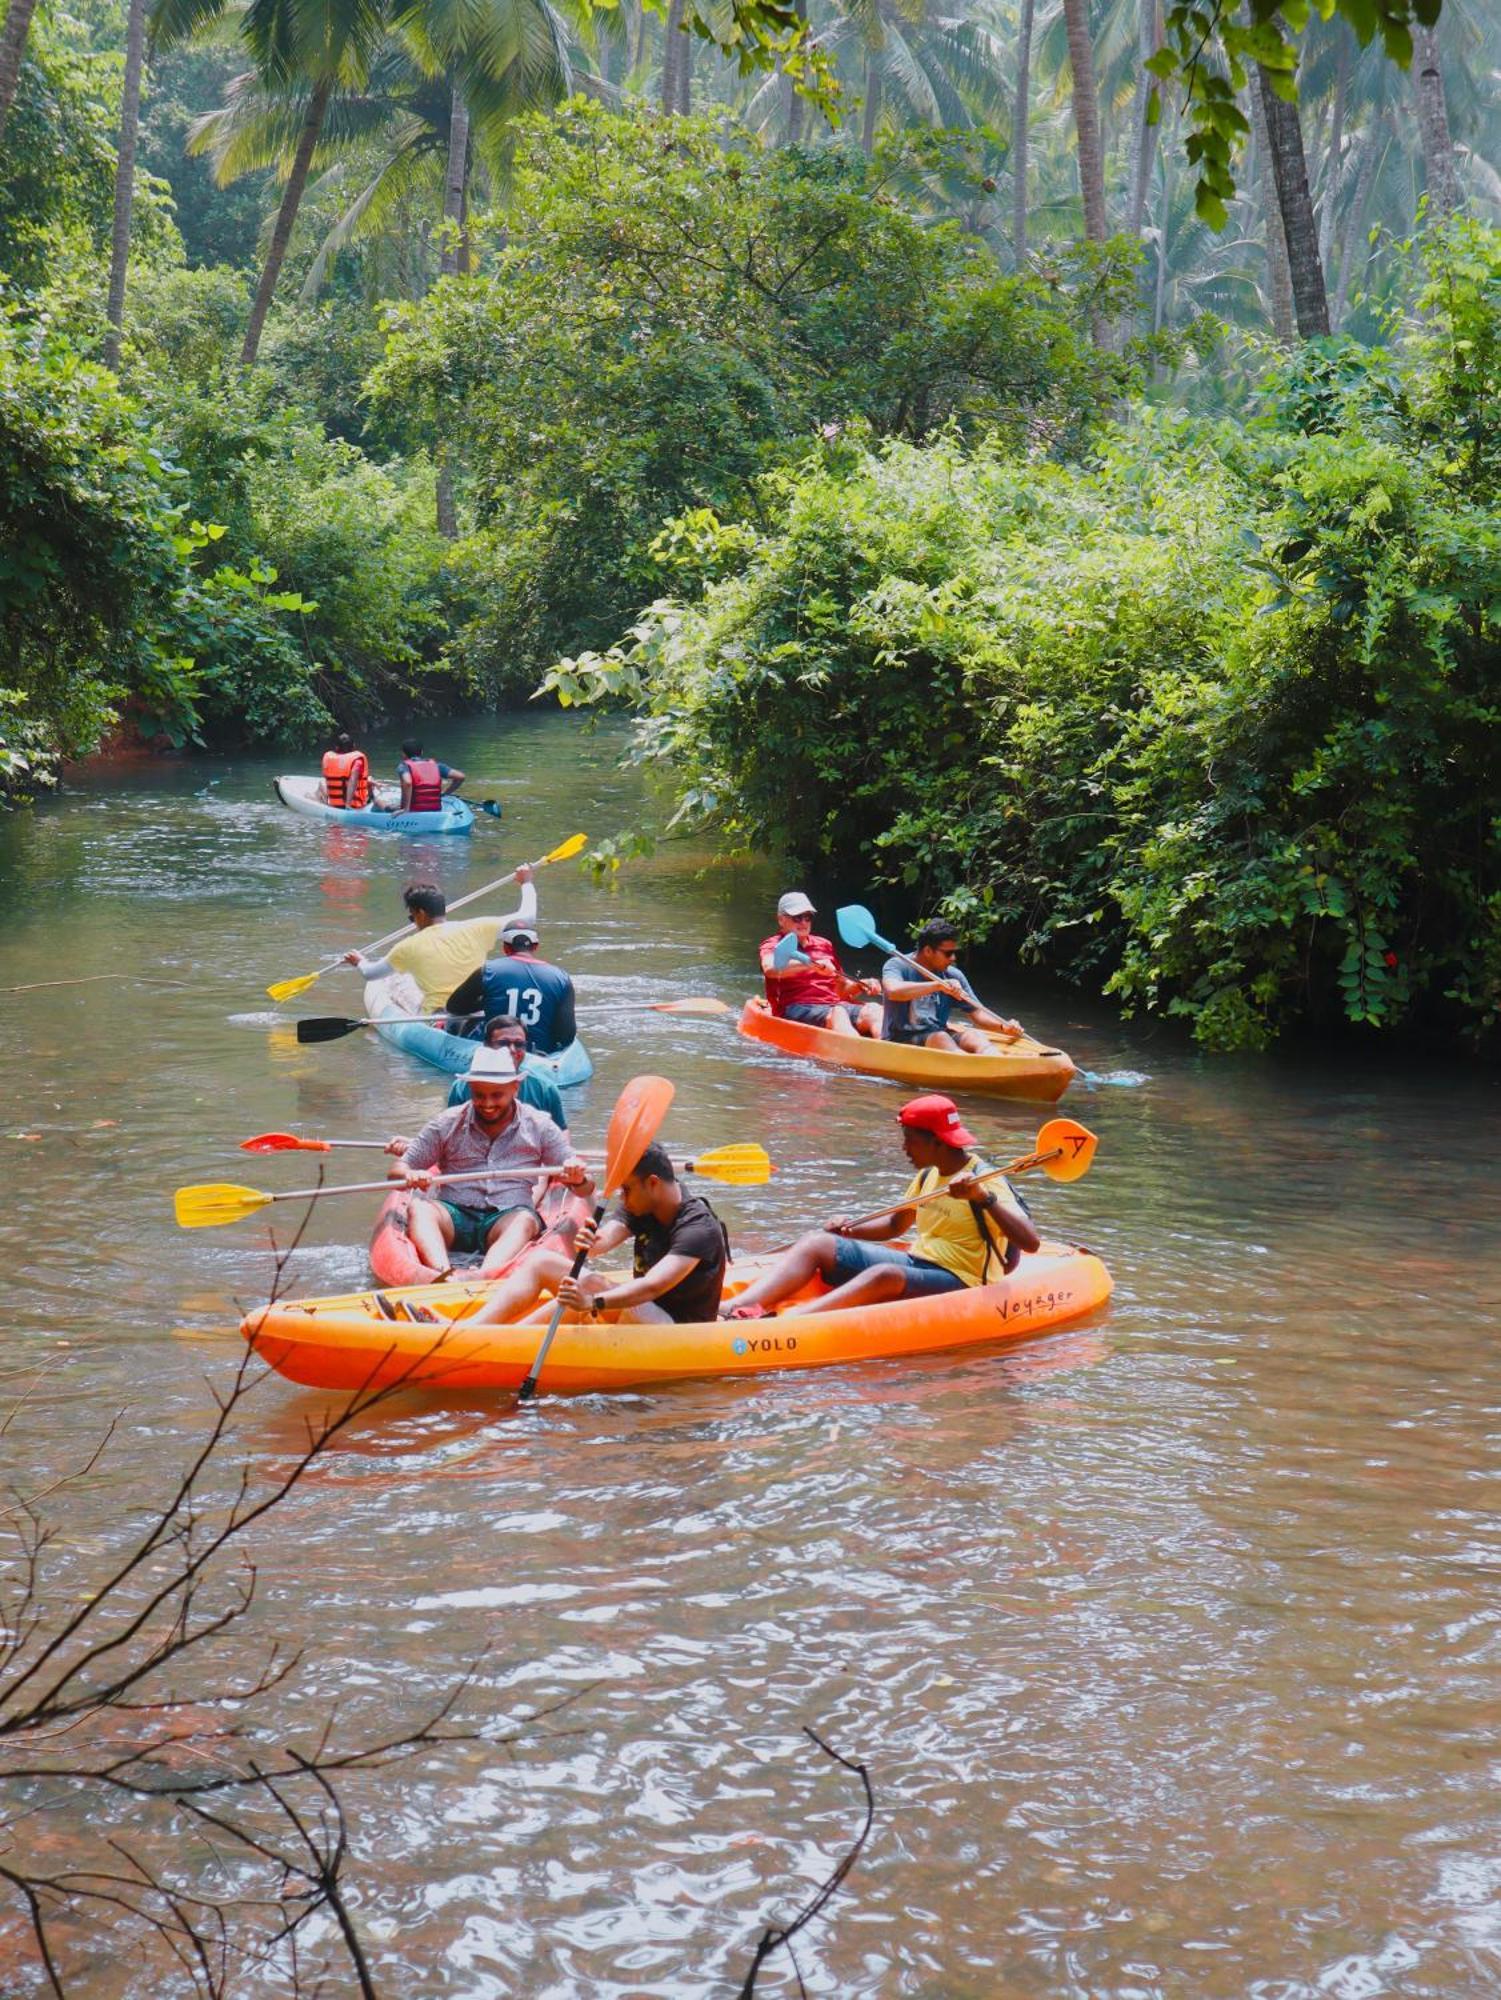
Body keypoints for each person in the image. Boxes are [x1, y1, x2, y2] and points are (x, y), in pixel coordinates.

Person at [720, 1094, 1038, 1320]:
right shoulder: (928, 1175)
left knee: (885, 1274)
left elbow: (1030, 1242)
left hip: (964, 1279)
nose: (904, 1149)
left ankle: (792, 1322)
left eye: (910, 1140)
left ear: (937, 1142)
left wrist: (982, 1198)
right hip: (923, 1262)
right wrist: (849, 1230)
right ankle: (734, 1307)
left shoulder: (987, 1180)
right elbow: (894, 1227)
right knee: (818, 1242)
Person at [467, 1142, 729, 1328]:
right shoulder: (646, 1202)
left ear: (652, 1183)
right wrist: (590, 1240)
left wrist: (592, 1302)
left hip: (679, 1330)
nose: (621, 1197)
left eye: (626, 1189)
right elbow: (602, 1243)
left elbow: (653, 1287)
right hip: (642, 1310)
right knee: (541, 1261)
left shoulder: (698, 1228)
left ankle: (509, 1340)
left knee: (591, 1284)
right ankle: (472, 1329)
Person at [388, 1044, 586, 1279]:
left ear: (515, 1087)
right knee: (419, 1207)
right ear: (470, 1088)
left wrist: (579, 1178)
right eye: (479, 1095)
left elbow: (585, 1186)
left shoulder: (539, 1126)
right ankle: (442, 1275)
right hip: (454, 1214)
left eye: (496, 1095)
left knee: (524, 1219)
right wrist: (408, 1175)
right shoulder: (446, 1122)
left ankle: (483, 1277)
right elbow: (398, 1170)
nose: (488, 1104)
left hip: (507, 1216)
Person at [342, 865, 535, 1015]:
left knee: (395, 979)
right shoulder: (478, 927)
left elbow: (371, 974)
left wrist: (359, 961)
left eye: (412, 917)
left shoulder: (407, 947)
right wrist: (526, 882)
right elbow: (527, 918)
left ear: (421, 913)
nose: (413, 922)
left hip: (438, 1016)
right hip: (479, 1011)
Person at [444, 915, 577, 1058]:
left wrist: (486, 1003)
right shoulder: (561, 978)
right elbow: (566, 1036)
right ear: (536, 946)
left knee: (457, 1023)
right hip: (541, 1054)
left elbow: (454, 1007)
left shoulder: (488, 971)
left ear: (505, 947)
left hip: (494, 1052)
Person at [881, 919, 1022, 1052]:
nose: (953, 958)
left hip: (939, 1034)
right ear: (928, 951)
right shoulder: (897, 965)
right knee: (940, 1037)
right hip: (901, 1039)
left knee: (974, 1035)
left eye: (954, 952)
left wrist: (1003, 1026)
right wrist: (938, 985)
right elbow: (893, 991)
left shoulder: (953, 975)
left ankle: (995, 1062)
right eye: (948, 953)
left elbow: (977, 1012)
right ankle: (973, 1068)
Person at [758, 891, 880, 1040]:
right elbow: (770, 969)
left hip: (831, 1006)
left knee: (874, 1009)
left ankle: (890, 1052)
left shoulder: (824, 944)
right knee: (838, 1014)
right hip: (794, 1008)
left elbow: (839, 991)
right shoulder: (773, 944)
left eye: (807, 917)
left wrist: (861, 985)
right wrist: (810, 964)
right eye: (797, 917)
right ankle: (862, 1054)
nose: (803, 922)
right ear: (781, 920)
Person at [445, 1014, 568, 1129]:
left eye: (519, 1044)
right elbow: (451, 1130)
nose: (512, 1050)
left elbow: (561, 1131)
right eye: (504, 1043)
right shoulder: (461, 1088)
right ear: (487, 1046)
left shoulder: (545, 1089)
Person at [396, 738, 464, 814]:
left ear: (403, 754)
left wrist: (406, 809)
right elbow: (460, 776)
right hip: (435, 809)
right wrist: (446, 794)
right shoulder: (436, 765)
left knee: (383, 804)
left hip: (413, 811)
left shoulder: (404, 766)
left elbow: (408, 782)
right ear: (421, 752)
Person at [320, 731, 370, 810]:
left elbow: (326, 779)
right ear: (353, 746)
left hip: (334, 804)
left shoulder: (328, 758)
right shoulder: (357, 760)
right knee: (370, 782)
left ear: (336, 747)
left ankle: (326, 804)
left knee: (321, 783)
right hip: (354, 805)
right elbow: (352, 781)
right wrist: (348, 805)